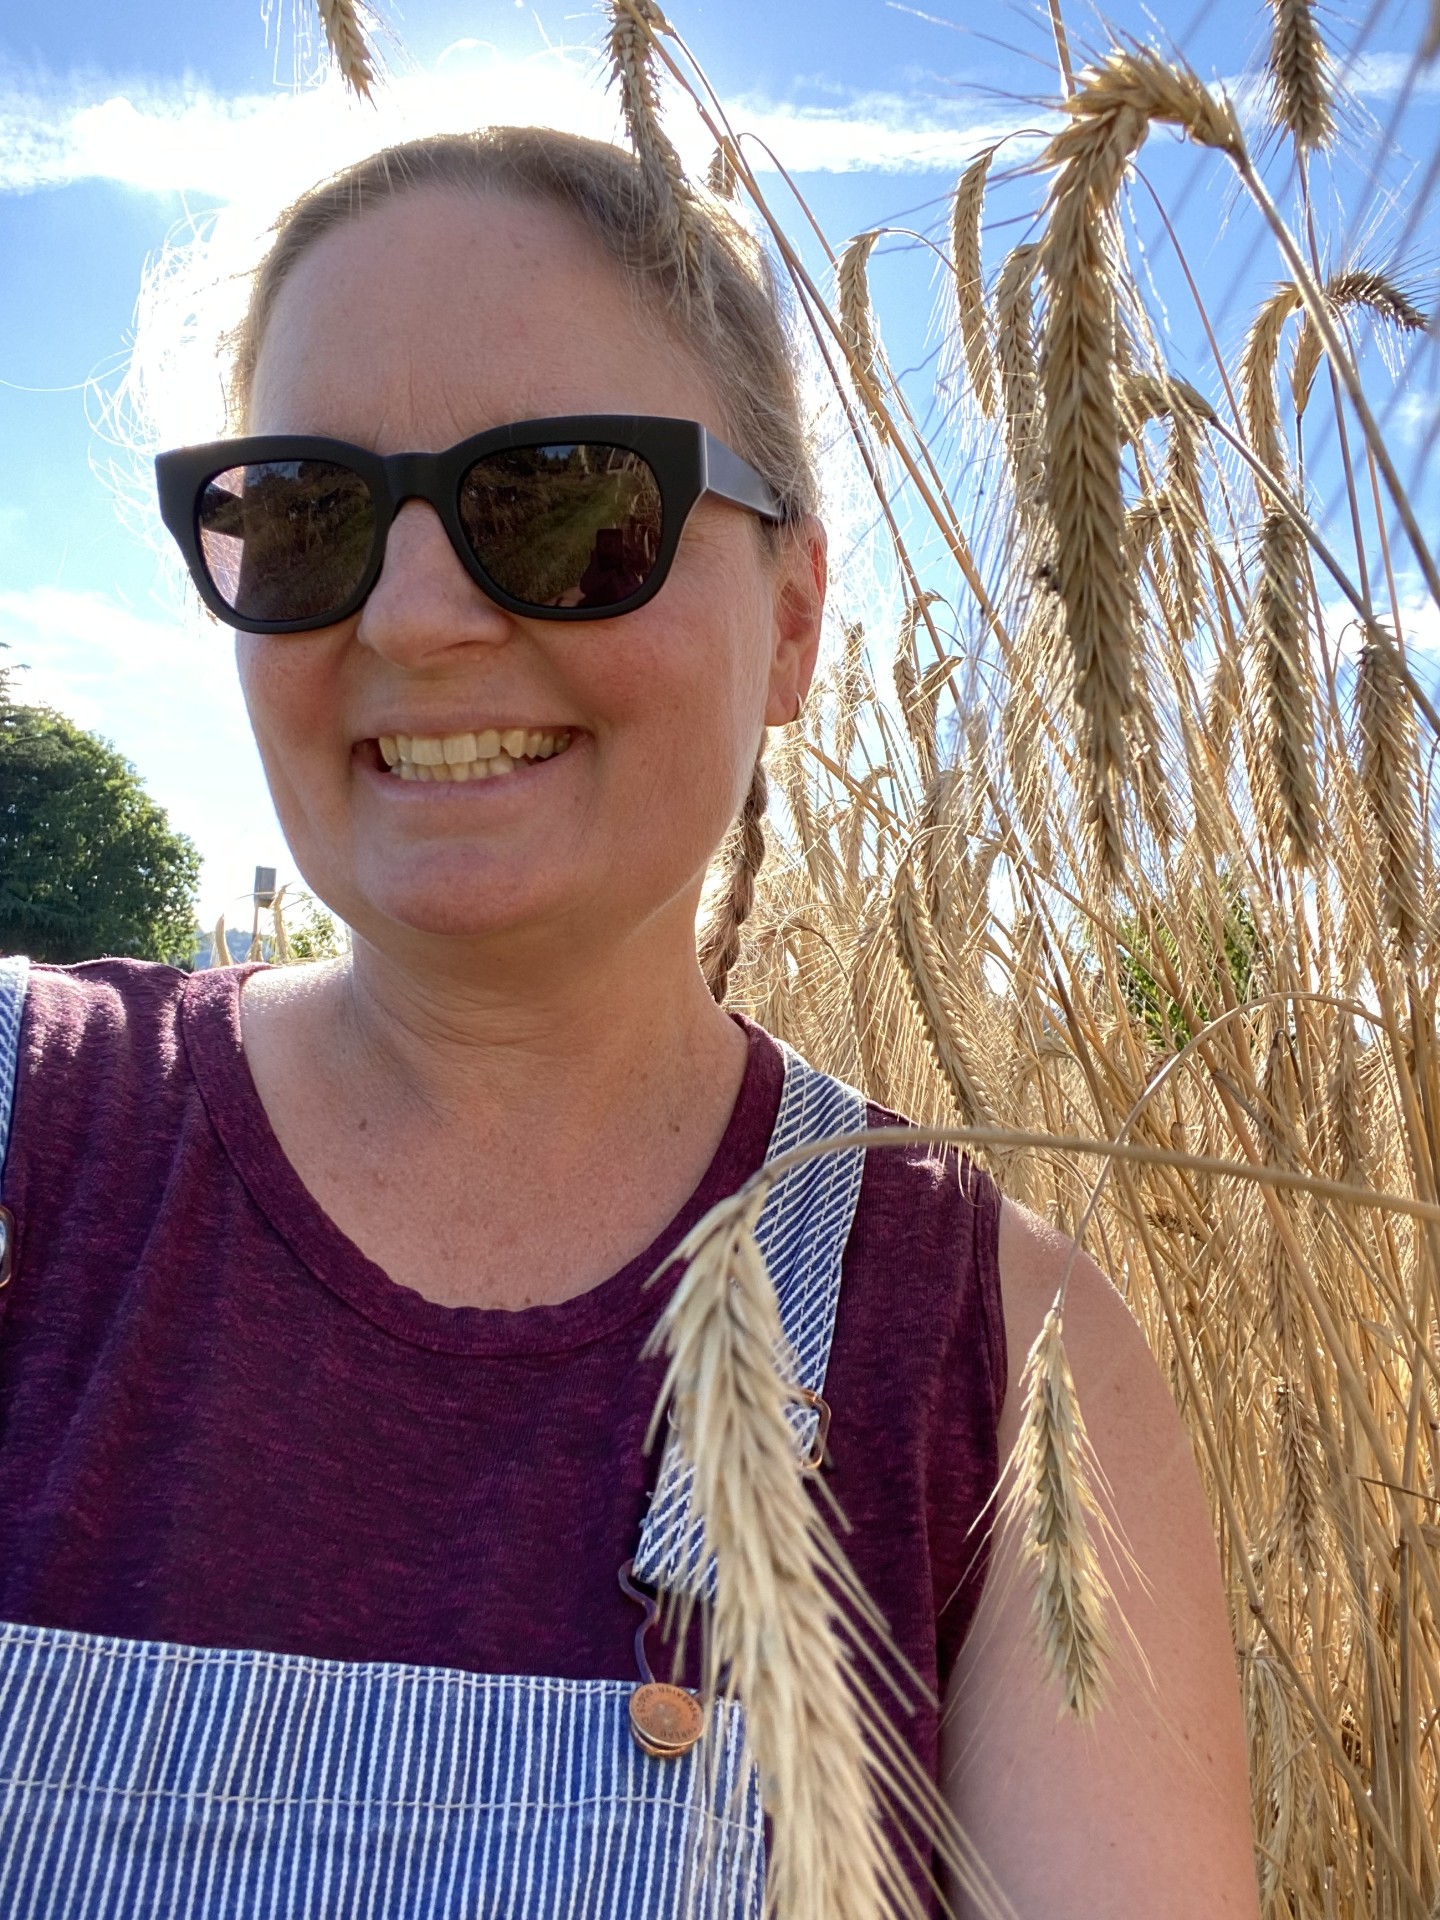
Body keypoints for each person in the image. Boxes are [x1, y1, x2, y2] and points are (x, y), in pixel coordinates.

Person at [0, 127, 1260, 1918]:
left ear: (798, 620)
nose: (416, 617)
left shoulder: (1008, 1366)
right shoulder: (25, 1130)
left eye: (569, 499)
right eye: (302, 511)